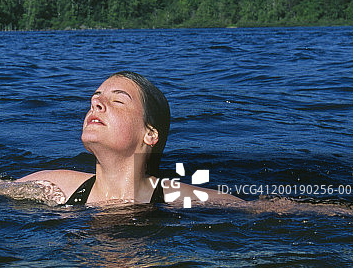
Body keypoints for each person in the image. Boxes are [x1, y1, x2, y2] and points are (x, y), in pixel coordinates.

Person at [17, 71, 241, 206]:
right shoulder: (55, 186)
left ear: (150, 134)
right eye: (95, 99)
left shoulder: (181, 198)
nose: (95, 104)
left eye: (118, 101)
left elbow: (258, 210)